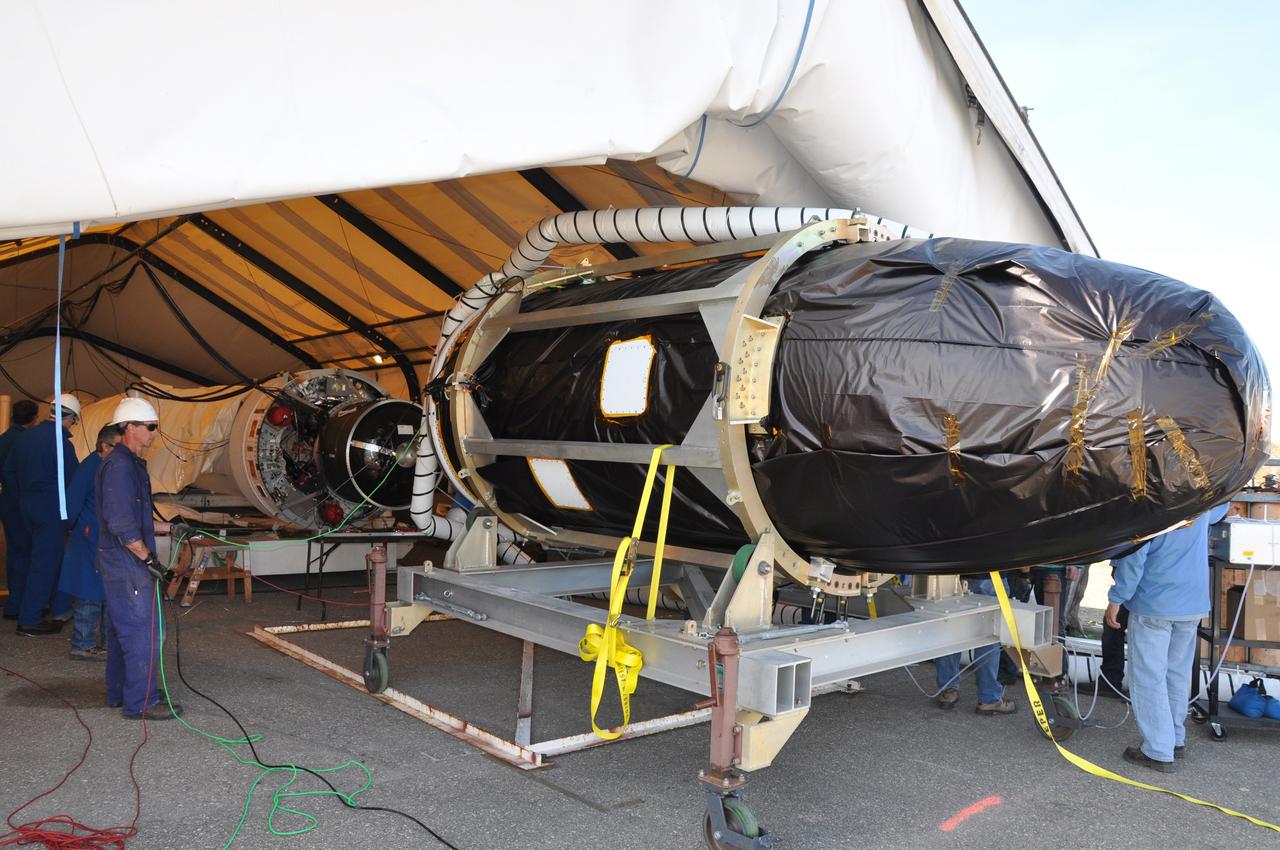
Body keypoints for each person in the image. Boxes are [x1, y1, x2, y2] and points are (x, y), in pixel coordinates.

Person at [1105, 503, 1230, 772]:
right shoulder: (1201, 502)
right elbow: (1224, 503)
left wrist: (1117, 598)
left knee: (1148, 677)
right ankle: (1175, 739)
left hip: (1155, 603)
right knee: (1177, 674)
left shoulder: (1149, 507)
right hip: (1193, 603)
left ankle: (1158, 750)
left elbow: (1133, 558)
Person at [97, 397, 182, 720]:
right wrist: (148, 560)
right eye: (151, 427)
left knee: (124, 629)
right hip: (126, 562)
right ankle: (141, 703)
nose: (155, 433)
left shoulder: (129, 464)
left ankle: (120, 693)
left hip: (122, 559)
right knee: (143, 632)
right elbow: (120, 523)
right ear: (130, 428)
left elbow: (135, 518)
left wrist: (170, 527)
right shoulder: (120, 467)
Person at [5, 395, 80, 635]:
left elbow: (8, 472)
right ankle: (30, 618)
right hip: (50, 510)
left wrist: (24, 496)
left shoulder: (25, 437)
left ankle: (42, 606)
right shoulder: (62, 443)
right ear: (71, 418)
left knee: (29, 557)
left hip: (25, 505)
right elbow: (73, 482)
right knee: (45, 563)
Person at [59, 425, 120, 661]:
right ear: (105, 446)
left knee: (106, 591)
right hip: (90, 535)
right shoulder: (90, 468)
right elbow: (72, 502)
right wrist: (75, 528)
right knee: (89, 591)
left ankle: (107, 643)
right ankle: (82, 643)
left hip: (105, 537)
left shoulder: (108, 466)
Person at [935, 574, 1018, 715]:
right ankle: (989, 698)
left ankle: (948, 691)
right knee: (989, 637)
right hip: (990, 575)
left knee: (950, 629)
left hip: (953, 574)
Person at [1, 399, 39, 620]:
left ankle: (14, 602)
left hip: (7, 502)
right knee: (26, 554)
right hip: (22, 503)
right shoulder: (27, 442)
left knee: (15, 553)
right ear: (34, 418)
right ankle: (22, 603)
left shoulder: (4, 439)